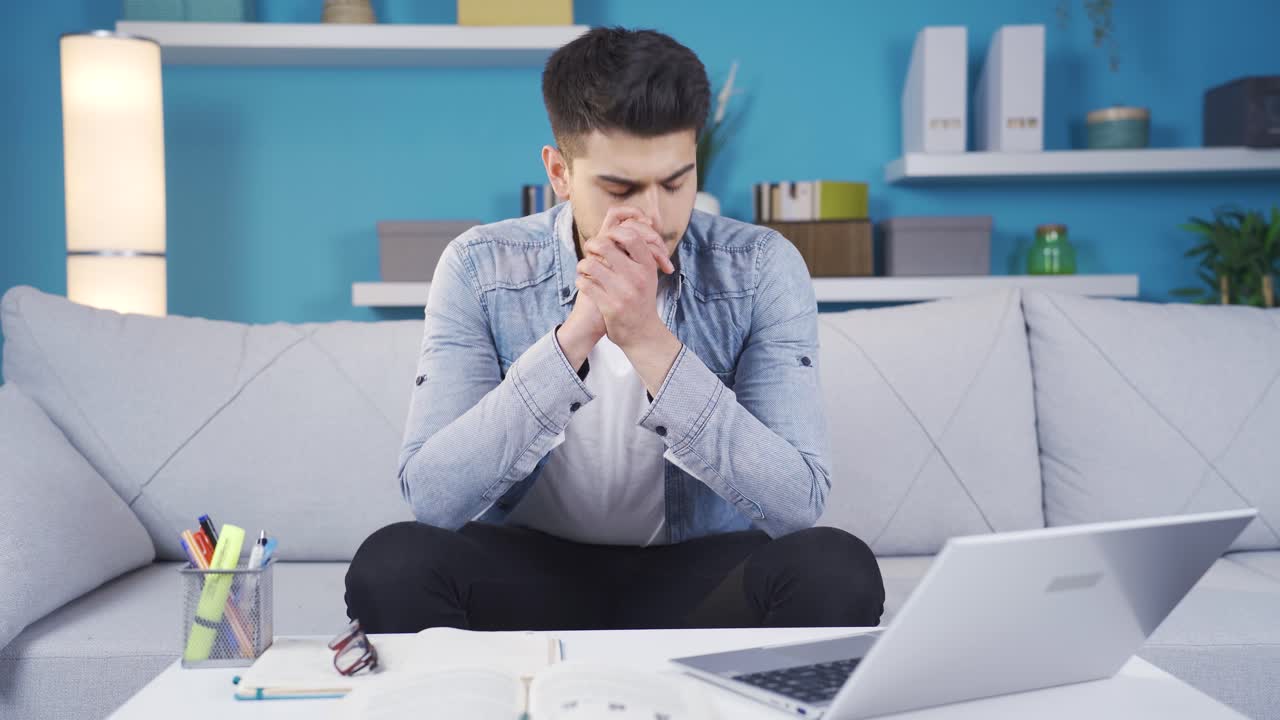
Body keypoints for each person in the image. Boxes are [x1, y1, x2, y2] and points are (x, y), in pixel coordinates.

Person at [344, 26, 884, 632]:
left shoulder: (761, 267)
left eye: (677, 182)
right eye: (620, 188)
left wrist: (648, 339)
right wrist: (577, 333)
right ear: (560, 173)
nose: (654, 216)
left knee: (837, 569)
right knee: (392, 565)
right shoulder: (480, 266)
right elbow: (433, 499)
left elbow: (797, 504)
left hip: (698, 574)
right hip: (529, 571)